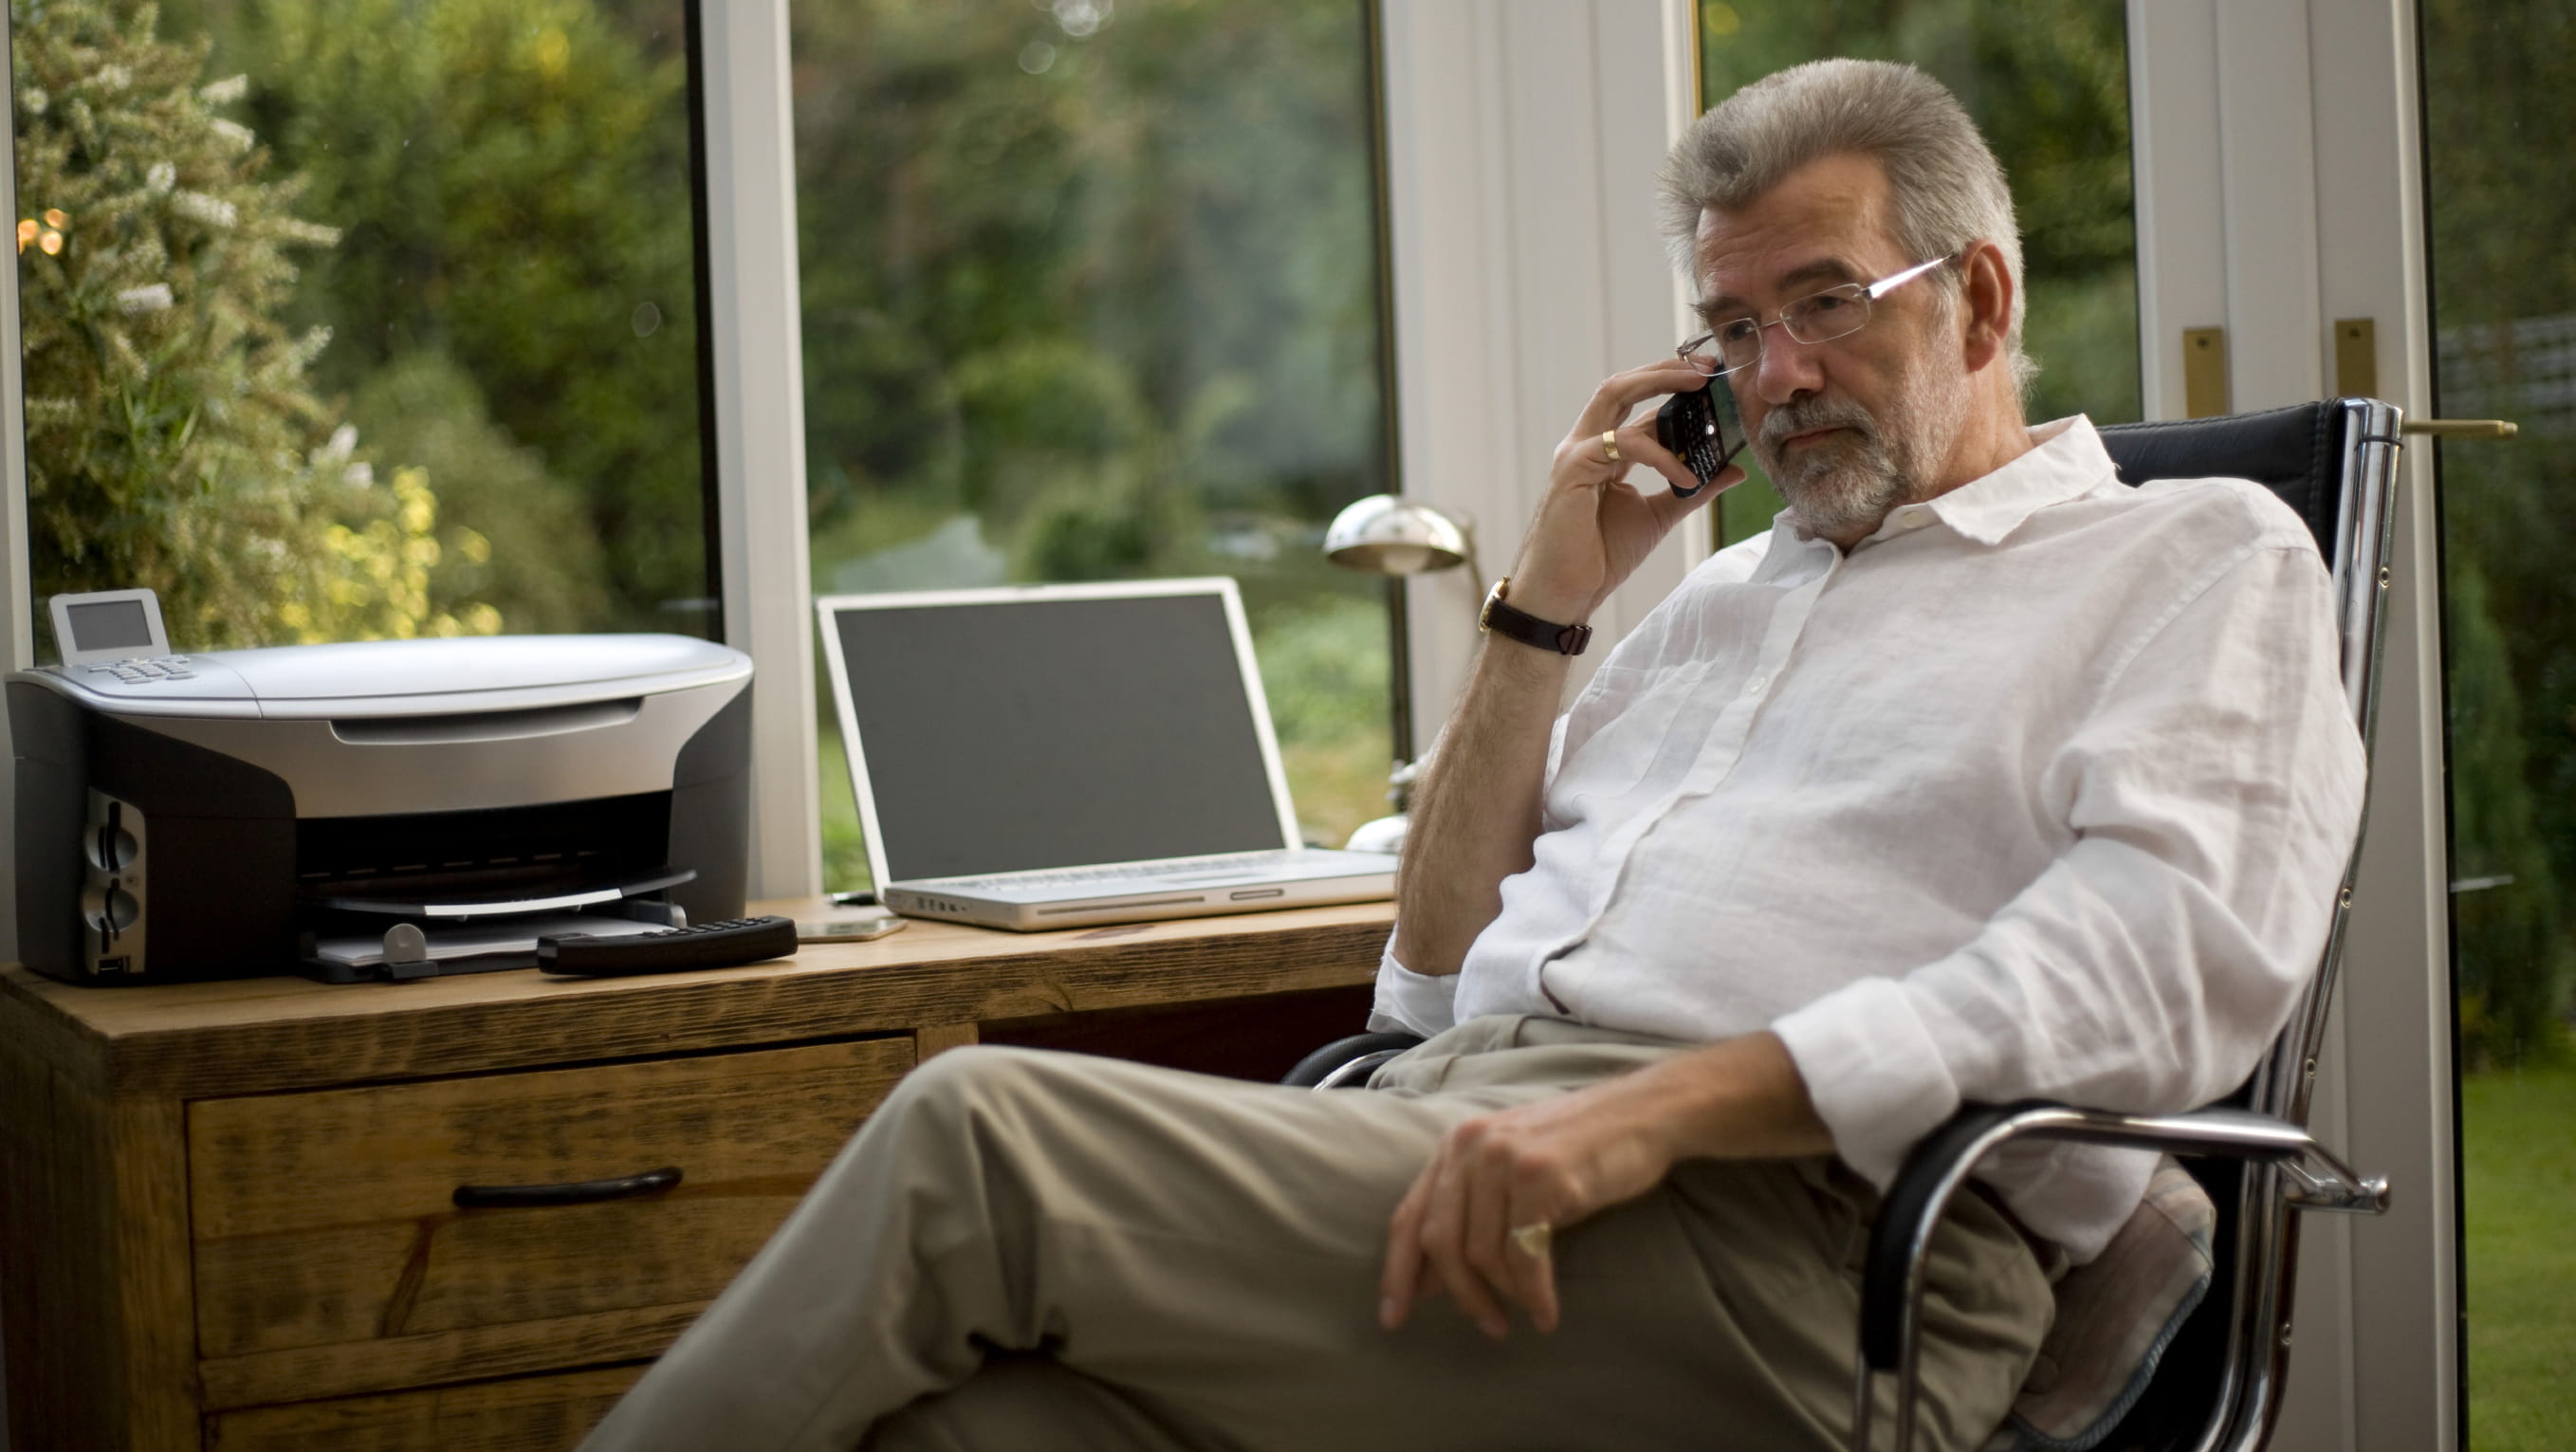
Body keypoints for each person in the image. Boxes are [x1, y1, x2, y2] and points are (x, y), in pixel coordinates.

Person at [580, 58, 2364, 1452]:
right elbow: (1427, 977)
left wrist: (1653, 1114)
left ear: (1975, 298)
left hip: (1810, 1251)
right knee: (981, 1430)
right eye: (1733, 329)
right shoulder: (1729, 599)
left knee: (978, 1144)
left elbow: (2150, 972)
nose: (1774, 372)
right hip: (1476, 1141)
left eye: (1824, 303)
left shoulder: (2194, 560)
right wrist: (1546, 596)